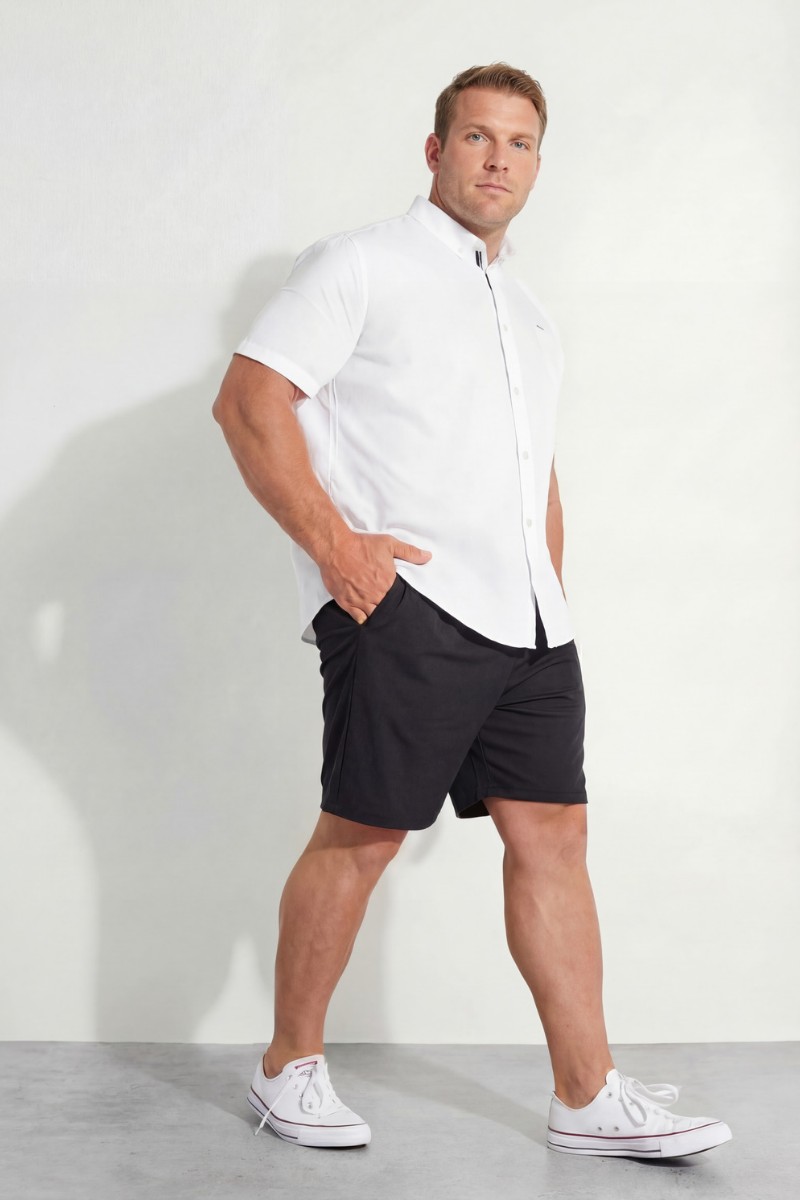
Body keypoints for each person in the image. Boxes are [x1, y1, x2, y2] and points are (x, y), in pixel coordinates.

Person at [212, 62, 732, 1158]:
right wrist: (337, 552)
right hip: (410, 606)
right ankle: (286, 1067)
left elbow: (535, 470)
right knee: (363, 834)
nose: (498, 158)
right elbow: (250, 398)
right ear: (435, 149)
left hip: (530, 624)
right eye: (478, 136)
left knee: (555, 836)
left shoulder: (528, 313)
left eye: (520, 142)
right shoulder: (360, 263)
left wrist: (551, 590)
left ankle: (585, 1096)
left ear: (538, 164)